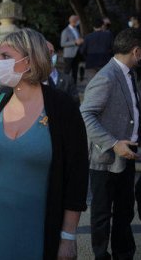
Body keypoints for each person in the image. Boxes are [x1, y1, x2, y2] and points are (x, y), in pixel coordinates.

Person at [0, 28, 89, 260]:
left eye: (6, 56)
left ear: (30, 60)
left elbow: (77, 175)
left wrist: (68, 236)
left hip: (41, 226)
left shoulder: (62, 107)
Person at [80, 27, 141, 260]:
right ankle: (101, 255)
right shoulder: (106, 76)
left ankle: (123, 254)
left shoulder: (130, 74)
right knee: (102, 214)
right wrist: (114, 143)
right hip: (105, 159)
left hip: (127, 156)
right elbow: (85, 115)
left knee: (125, 212)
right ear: (136, 51)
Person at [46, 41, 80, 105]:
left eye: (52, 51)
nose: (51, 55)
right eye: (48, 52)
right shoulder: (32, 80)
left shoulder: (68, 79)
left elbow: (76, 104)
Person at [61, 15, 84, 83]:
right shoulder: (65, 31)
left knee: (75, 71)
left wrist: (80, 40)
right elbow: (62, 43)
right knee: (67, 72)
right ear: (74, 21)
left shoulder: (76, 29)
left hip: (77, 53)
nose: (78, 22)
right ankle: (64, 86)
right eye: (77, 21)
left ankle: (74, 87)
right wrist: (75, 42)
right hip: (68, 55)